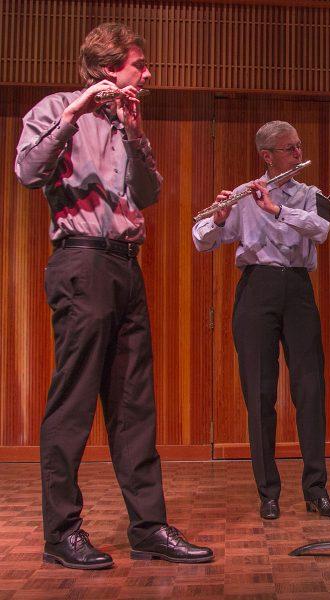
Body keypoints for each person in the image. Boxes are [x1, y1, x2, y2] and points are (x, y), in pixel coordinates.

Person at [14, 23, 213, 569]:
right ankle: (61, 533)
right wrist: (76, 111)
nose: (147, 75)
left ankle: (148, 528)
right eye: (138, 65)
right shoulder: (57, 108)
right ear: (107, 68)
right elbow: (29, 172)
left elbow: (148, 194)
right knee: (73, 403)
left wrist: (135, 135)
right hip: (81, 263)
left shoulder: (126, 123)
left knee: (133, 405)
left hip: (127, 266)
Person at [192, 121, 330, 520]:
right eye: (289, 148)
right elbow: (201, 239)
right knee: (258, 394)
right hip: (256, 289)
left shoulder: (309, 195)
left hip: (297, 289)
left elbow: (323, 230)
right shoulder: (243, 195)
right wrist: (222, 217)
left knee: (310, 390)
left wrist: (276, 209)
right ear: (267, 156)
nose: (298, 153)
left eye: (298, 146)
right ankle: (268, 493)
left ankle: (316, 489)